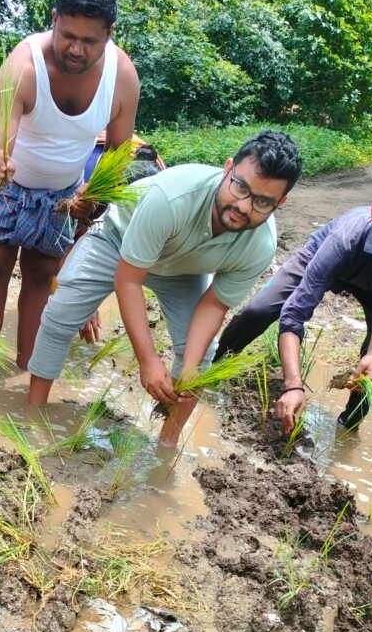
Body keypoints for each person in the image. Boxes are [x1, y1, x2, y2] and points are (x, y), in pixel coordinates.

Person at [27, 130, 302, 444]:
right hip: (117, 240)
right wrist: (148, 360)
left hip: (183, 270)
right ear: (227, 169)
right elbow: (128, 279)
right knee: (60, 315)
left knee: (201, 357)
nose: (243, 206)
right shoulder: (172, 197)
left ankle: (166, 445)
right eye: (240, 187)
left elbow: (214, 304)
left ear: (280, 202)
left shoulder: (260, 245)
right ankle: (33, 411)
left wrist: (189, 367)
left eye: (262, 202)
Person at [0, 0, 140, 369]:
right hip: (10, 182)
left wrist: (93, 199)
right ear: (54, 19)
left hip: (65, 194)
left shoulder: (123, 78)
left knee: (41, 273)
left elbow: (117, 155)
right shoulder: (23, 66)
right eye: (67, 35)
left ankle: (26, 369)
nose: (76, 49)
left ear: (109, 34)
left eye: (89, 41)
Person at [215, 179, 372, 433]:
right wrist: (293, 385)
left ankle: (349, 425)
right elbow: (294, 314)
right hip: (320, 259)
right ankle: (214, 367)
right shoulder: (345, 238)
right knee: (258, 311)